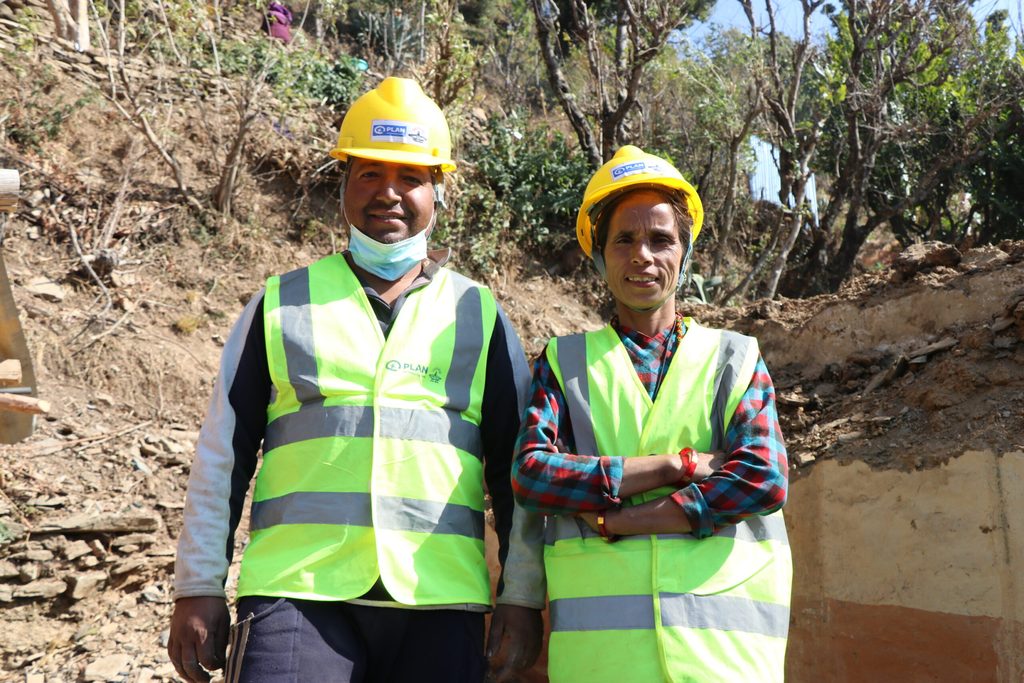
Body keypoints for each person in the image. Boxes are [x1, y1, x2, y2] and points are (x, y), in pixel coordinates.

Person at [167, 77, 544, 683]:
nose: (388, 192)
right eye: (369, 173)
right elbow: (222, 457)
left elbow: (516, 476)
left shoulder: (479, 315)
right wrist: (198, 585)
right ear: (344, 182)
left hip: (439, 598)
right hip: (298, 591)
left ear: (438, 191)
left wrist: (520, 596)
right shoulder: (280, 304)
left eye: (410, 177)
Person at [512, 146, 793, 682]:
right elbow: (532, 476)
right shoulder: (565, 362)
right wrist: (675, 466)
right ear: (600, 256)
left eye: (661, 239)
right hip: (604, 660)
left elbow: (763, 479)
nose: (642, 255)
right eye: (624, 240)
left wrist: (621, 521)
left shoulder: (734, 358)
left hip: (721, 659)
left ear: (685, 253)